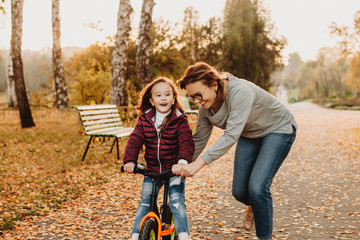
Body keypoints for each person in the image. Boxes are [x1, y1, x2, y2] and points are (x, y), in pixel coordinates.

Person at [174, 62, 297, 240]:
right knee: (239, 191)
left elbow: (231, 135)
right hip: (249, 133)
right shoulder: (205, 109)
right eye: (193, 97)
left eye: (199, 95)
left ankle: (265, 236)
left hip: (278, 129)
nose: (198, 101)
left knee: (257, 187)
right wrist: (181, 162)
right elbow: (199, 138)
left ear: (214, 84)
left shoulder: (240, 92)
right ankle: (256, 205)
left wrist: (198, 165)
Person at [123, 77, 195, 240]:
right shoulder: (145, 119)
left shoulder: (179, 120)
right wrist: (130, 161)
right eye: (158, 95)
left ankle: (184, 235)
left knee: (176, 201)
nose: (163, 98)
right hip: (152, 170)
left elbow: (186, 142)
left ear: (173, 98)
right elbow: (135, 139)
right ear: (152, 100)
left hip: (173, 170)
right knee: (145, 201)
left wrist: (182, 162)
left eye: (167, 94)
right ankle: (135, 235)